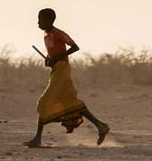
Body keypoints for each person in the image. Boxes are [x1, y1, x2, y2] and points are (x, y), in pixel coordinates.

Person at [25, 8, 110, 148]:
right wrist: (49, 60)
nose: (38, 23)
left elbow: (75, 47)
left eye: (40, 20)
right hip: (56, 71)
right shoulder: (46, 35)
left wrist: (56, 58)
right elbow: (52, 54)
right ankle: (101, 126)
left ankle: (37, 139)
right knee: (70, 101)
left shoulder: (59, 33)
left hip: (62, 71)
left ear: (49, 20)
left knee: (44, 102)